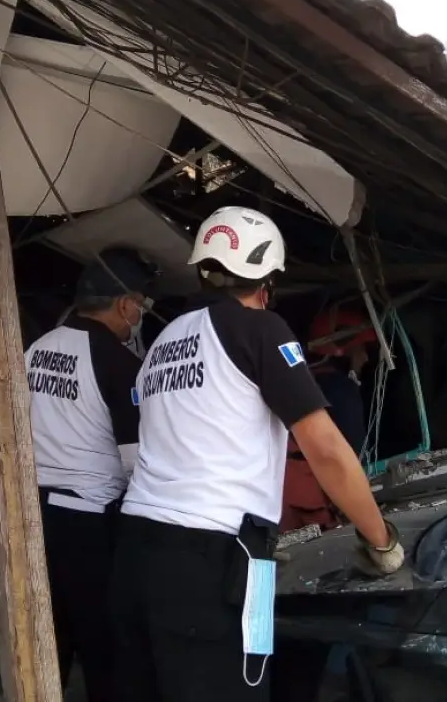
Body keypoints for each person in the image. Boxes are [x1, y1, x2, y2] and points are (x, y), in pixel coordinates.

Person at [111, 206, 403, 701]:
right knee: (241, 686)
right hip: (221, 553)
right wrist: (381, 541)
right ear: (267, 278)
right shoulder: (260, 330)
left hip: (138, 546)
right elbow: (326, 450)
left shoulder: (165, 340)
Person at [26, 246, 158, 702]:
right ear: (126, 305)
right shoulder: (120, 364)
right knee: (106, 645)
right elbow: (139, 463)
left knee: (47, 636)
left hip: (32, 516)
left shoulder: (36, 350)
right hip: (90, 524)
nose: (138, 318)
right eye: (140, 307)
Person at [280, 304, 380, 534]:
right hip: (314, 513)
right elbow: (351, 461)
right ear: (340, 352)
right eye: (360, 350)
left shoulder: (297, 389)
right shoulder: (341, 394)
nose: (365, 358)